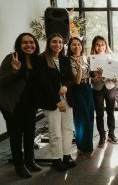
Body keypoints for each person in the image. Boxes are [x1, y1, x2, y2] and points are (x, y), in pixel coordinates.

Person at [0, 33, 42, 178]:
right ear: (19, 44)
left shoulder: (37, 60)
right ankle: (19, 165)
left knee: (30, 132)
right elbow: (2, 82)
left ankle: (29, 160)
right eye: (25, 42)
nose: (29, 45)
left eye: (32, 42)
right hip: (13, 104)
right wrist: (14, 71)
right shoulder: (11, 58)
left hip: (30, 104)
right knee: (16, 135)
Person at [36, 33, 76, 172]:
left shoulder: (65, 59)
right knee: (55, 132)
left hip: (67, 99)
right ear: (48, 43)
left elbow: (71, 77)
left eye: (60, 42)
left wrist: (66, 86)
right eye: (54, 42)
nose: (58, 44)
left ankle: (66, 155)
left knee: (67, 129)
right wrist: (56, 100)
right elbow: (43, 83)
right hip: (51, 101)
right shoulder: (41, 59)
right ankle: (56, 158)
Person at [66, 37, 95, 159]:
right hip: (78, 90)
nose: (76, 47)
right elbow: (77, 81)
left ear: (82, 46)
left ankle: (88, 147)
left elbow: (89, 75)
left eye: (79, 44)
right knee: (81, 120)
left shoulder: (84, 58)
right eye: (73, 44)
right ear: (69, 46)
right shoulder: (67, 60)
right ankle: (83, 148)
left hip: (88, 88)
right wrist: (78, 68)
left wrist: (96, 76)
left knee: (89, 117)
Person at [90, 35, 118, 148]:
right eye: (97, 44)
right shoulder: (90, 58)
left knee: (111, 112)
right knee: (100, 113)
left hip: (110, 86)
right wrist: (94, 77)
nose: (100, 46)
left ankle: (111, 133)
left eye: (102, 44)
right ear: (94, 46)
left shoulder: (112, 57)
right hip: (97, 88)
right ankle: (102, 136)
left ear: (106, 45)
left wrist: (114, 77)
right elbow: (90, 75)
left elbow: (116, 73)